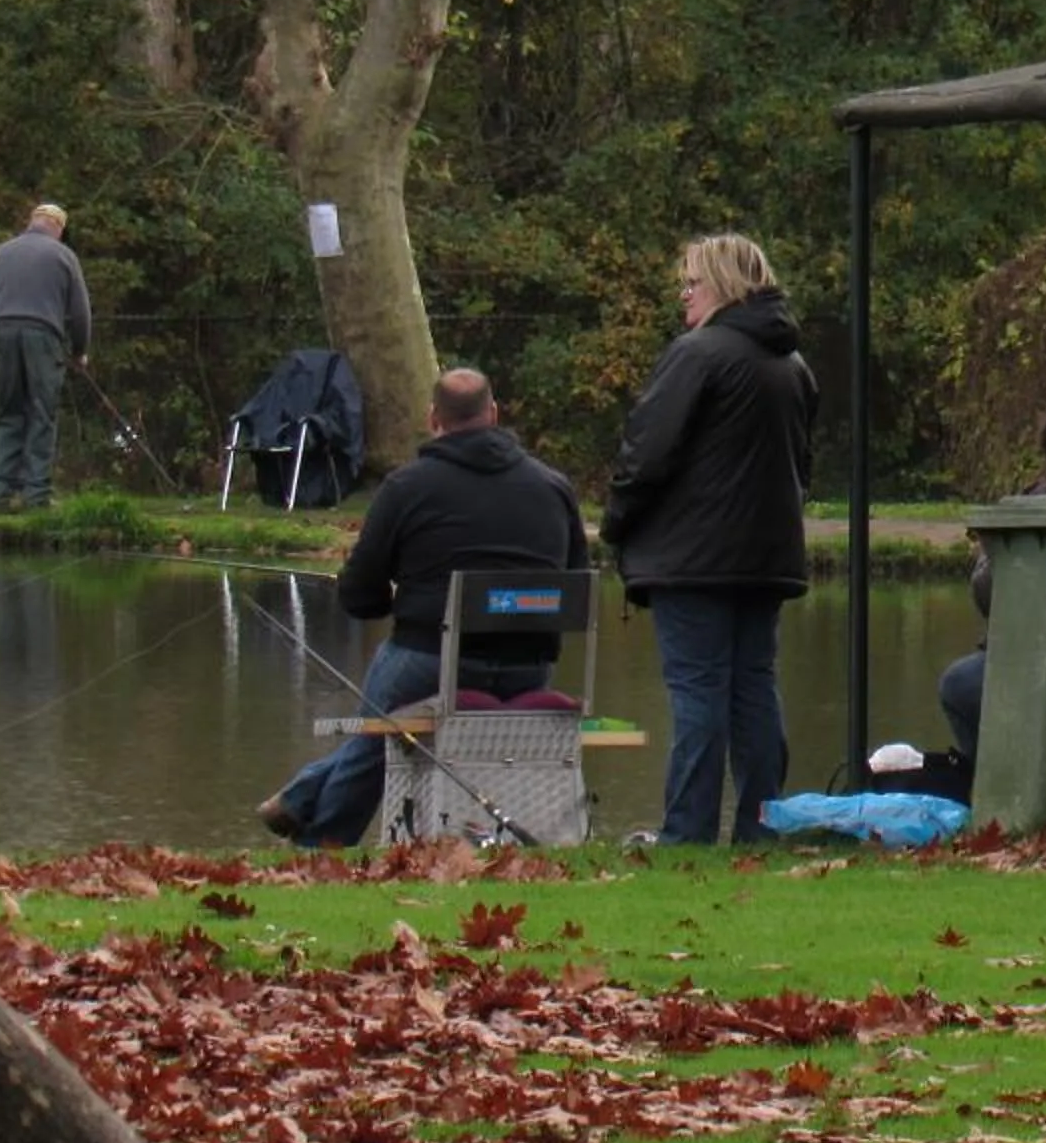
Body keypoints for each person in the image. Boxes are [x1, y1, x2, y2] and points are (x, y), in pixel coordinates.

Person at [257, 367, 589, 845]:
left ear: (433, 419)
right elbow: (574, 584)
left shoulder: (407, 487)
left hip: (430, 659)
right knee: (384, 725)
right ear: (494, 414)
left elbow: (358, 596)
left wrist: (397, 598)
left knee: (379, 727)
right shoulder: (553, 486)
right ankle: (301, 800)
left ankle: (322, 839)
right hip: (529, 665)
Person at [603, 232, 817, 845]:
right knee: (754, 687)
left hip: (692, 559)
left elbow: (647, 453)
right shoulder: (793, 365)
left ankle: (687, 832)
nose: (683, 296)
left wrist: (618, 522)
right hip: (766, 556)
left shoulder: (697, 355)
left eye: (691, 283)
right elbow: (802, 464)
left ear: (723, 285)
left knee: (697, 691)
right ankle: (762, 824)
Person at [937, 392, 1046, 790]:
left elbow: (992, 598)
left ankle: (996, 795)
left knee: (957, 684)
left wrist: (986, 554)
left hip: (1036, 668)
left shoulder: (1033, 505)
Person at [0, 202, 90, 513]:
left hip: (2, 330)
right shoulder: (63, 255)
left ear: (32, 222)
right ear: (58, 228)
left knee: (7, 410)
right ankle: (36, 495)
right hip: (42, 334)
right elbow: (80, 312)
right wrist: (80, 351)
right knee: (42, 412)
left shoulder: (4, 251)